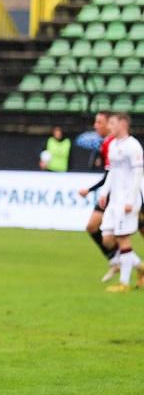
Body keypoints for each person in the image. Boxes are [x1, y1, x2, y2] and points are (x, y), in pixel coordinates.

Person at [97, 113, 144, 293]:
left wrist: (131, 200)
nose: (109, 127)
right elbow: (112, 172)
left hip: (127, 201)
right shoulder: (113, 145)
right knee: (107, 238)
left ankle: (124, 283)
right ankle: (140, 266)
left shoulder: (133, 146)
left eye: (112, 123)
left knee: (123, 238)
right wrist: (104, 192)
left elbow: (138, 174)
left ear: (123, 124)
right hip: (114, 200)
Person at [77, 112, 119, 281]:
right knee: (93, 227)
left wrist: (90, 189)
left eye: (99, 122)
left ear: (109, 124)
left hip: (121, 194)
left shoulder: (114, 144)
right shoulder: (106, 144)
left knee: (116, 236)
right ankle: (116, 261)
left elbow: (111, 174)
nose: (95, 125)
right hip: (109, 192)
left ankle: (125, 263)